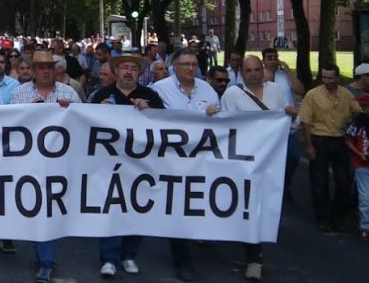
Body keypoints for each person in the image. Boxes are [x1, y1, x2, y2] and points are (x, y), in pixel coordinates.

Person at [220, 55, 297, 281]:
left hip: (271, 158)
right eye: (248, 70)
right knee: (249, 206)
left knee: (265, 205)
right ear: (241, 73)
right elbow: (224, 126)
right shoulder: (232, 94)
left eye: (257, 69)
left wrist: (293, 115)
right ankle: (254, 256)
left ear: (263, 70)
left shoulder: (275, 91)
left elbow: (285, 123)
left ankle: (256, 246)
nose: (253, 73)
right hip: (244, 160)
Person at [88, 53, 164, 278]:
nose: (128, 71)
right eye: (124, 68)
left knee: (137, 209)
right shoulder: (102, 95)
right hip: (109, 165)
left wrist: (149, 112)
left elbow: (166, 126)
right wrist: (98, 112)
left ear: (139, 73)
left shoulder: (150, 96)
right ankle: (109, 258)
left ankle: (129, 254)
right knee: (111, 210)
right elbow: (87, 126)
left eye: (133, 68)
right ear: (116, 72)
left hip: (141, 165)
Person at [8, 51, 78, 283]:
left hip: (61, 163)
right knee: (39, 209)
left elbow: (83, 125)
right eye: (40, 67)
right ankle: (45, 257)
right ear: (33, 70)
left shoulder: (69, 93)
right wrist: (29, 112)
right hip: (30, 163)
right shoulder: (20, 93)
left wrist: (71, 112)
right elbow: (9, 125)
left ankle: (45, 258)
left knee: (51, 210)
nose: (46, 71)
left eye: (50, 67)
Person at [151, 49, 220, 282]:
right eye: (186, 64)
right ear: (174, 66)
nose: (191, 68)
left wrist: (215, 115)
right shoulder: (159, 90)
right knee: (177, 206)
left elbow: (223, 124)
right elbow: (147, 120)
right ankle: (183, 258)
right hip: (171, 161)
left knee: (196, 202)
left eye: (194, 64)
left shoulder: (208, 90)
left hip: (201, 160)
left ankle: (196, 238)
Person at [299, 63, 361, 232]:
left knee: (343, 181)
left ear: (337, 78)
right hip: (320, 140)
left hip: (340, 141)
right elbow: (306, 122)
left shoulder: (346, 95)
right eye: (324, 77)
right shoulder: (313, 95)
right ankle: (324, 217)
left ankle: (339, 215)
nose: (326, 81)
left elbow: (357, 112)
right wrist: (309, 145)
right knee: (320, 181)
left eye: (330, 78)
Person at [344, 97, 369, 241]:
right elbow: (348, 140)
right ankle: (365, 226)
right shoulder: (358, 122)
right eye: (363, 106)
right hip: (361, 164)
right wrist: (359, 153)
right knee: (365, 197)